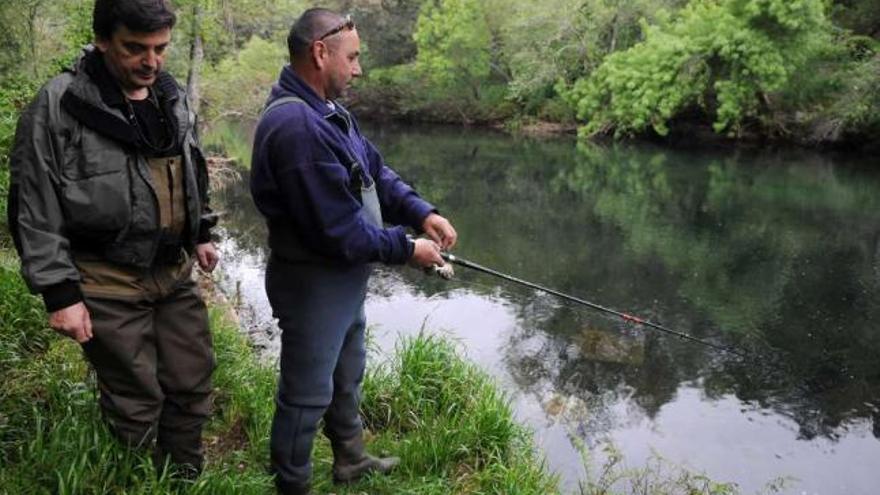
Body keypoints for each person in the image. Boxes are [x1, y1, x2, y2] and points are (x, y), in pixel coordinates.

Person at [7, 0, 219, 478]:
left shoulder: (171, 96)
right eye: (135, 48)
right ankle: (135, 480)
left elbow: (190, 170)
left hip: (172, 271)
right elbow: (32, 204)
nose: (151, 61)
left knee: (192, 379)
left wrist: (201, 230)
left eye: (160, 49)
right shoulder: (60, 103)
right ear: (103, 40)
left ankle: (184, 479)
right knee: (136, 396)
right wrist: (60, 293)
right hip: (104, 276)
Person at [249, 8, 457, 495]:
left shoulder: (328, 111)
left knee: (347, 373)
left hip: (343, 278)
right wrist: (409, 250)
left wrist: (419, 212)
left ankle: (350, 460)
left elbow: (375, 174)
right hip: (312, 282)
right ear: (320, 53)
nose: (359, 68)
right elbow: (339, 231)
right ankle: (291, 484)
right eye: (354, 57)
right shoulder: (296, 127)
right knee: (305, 393)